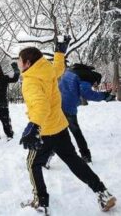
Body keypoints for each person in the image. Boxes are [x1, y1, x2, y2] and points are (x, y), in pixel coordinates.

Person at [18, 38, 116, 214]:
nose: (18, 64)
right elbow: (59, 68)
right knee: (73, 161)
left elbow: (41, 105)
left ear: (27, 62)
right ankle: (102, 192)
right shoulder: (47, 70)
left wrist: (34, 126)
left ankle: (40, 202)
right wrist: (60, 52)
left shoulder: (30, 81)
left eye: (19, 60)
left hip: (44, 130)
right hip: (60, 127)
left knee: (33, 164)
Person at [59, 63, 115, 163]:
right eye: (95, 84)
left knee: (55, 131)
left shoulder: (73, 71)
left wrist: (78, 101)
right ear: (94, 80)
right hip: (68, 106)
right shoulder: (87, 78)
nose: (94, 85)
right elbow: (87, 94)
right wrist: (104, 96)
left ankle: (46, 156)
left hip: (57, 103)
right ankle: (86, 156)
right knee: (75, 132)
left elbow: (72, 89)